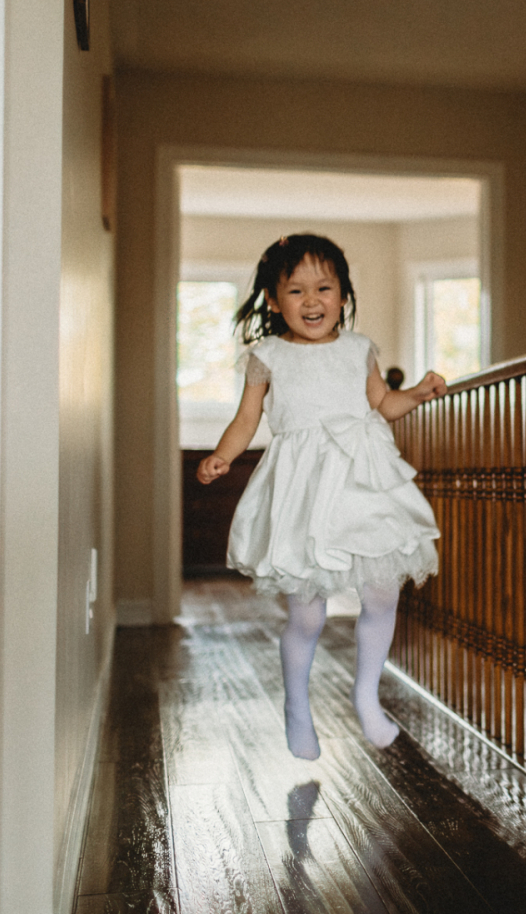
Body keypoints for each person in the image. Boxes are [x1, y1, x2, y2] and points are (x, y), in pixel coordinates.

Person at [198, 233, 446, 759]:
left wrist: (419, 392)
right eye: (296, 291)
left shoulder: (359, 350)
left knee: (382, 593)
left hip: (362, 482)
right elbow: (246, 421)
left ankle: (366, 695)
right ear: (272, 299)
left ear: (343, 295)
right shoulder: (266, 357)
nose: (312, 301)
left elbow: (384, 404)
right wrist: (222, 455)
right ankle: (296, 706)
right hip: (302, 489)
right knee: (308, 615)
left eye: (324, 288)